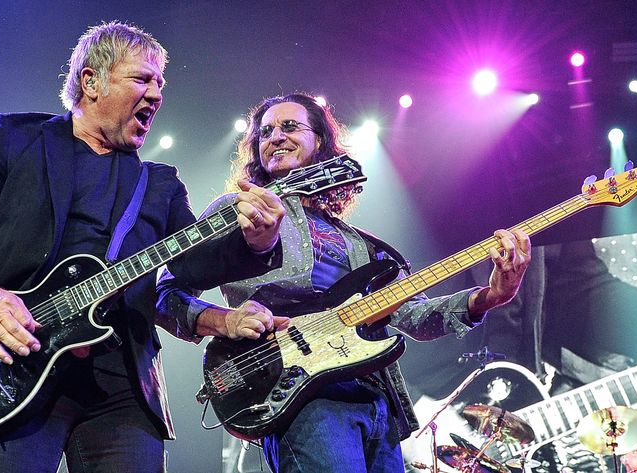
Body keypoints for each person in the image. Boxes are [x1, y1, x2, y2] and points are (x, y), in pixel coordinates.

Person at [0, 21, 285, 473]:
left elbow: (192, 266)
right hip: (11, 366)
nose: (156, 93)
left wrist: (257, 240)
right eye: (142, 79)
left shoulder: (160, 184)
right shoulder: (13, 140)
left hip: (122, 390)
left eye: (160, 83)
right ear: (91, 82)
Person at [156, 92, 532, 473]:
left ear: (319, 140)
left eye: (289, 126)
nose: (274, 137)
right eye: (265, 132)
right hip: (301, 397)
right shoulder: (236, 211)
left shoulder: (357, 241)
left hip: (376, 399)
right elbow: (165, 291)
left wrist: (491, 295)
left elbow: (412, 317)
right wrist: (224, 320)